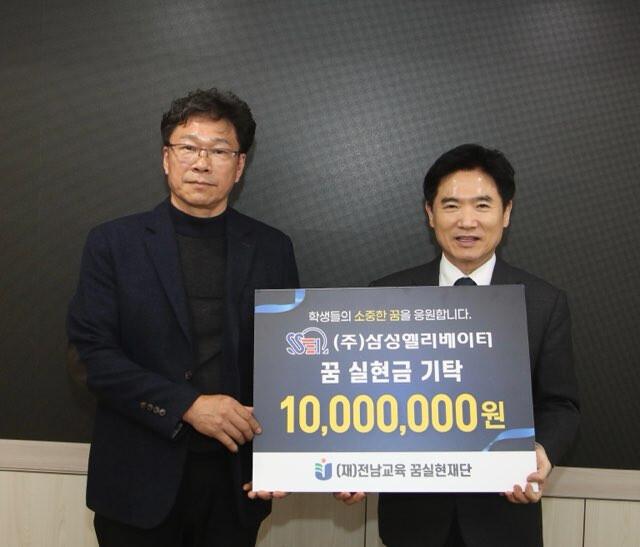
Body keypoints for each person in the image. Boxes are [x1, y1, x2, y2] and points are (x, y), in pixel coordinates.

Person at [67, 88, 298, 546]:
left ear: (240, 166)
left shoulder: (272, 248)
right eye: (188, 147)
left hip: (235, 484)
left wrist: (283, 459)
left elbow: (290, 363)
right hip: (136, 482)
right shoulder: (113, 244)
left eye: (219, 150)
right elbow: (91, 358)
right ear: (166, 158)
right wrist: (188, 405)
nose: (202, 163)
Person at [339, 144, 579, 546]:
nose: (467, 221)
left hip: (504, 520)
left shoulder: (542, 302)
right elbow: (359, 397)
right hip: (412, 523)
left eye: (483, 205)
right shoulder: (386, 297)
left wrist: (542, 450)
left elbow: (561, 404)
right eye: (451, 206)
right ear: (430, 214)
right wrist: (350, 462)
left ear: (506, 212)